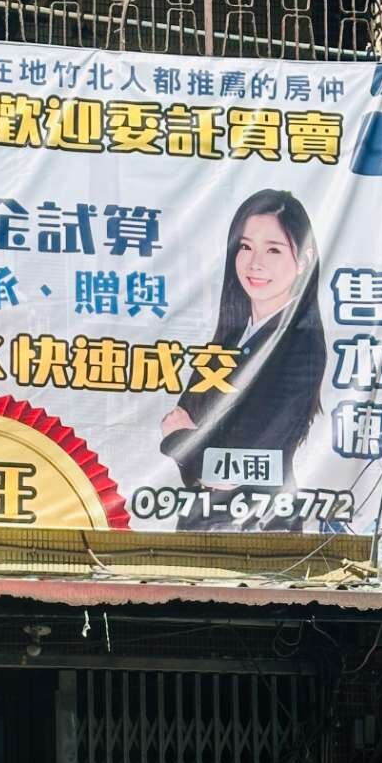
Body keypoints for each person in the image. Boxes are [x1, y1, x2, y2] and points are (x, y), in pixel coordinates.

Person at [159, 188, 326, 529]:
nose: (255, 263)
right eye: (246, 247)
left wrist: (184, 441)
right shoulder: (230, 338)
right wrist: (196, 449)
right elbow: (183, 430)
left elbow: (240, 464)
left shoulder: (301, 345)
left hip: (260, 529)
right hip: (204, 523)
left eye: (273, 249)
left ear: (304, 260)